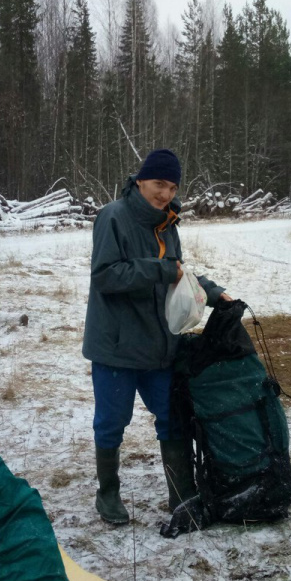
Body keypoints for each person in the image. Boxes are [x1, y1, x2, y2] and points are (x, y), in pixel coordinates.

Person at [82, 149, 231, 524]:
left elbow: (178, 273)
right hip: (116, 348)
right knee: (112, 423)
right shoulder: (113, 216)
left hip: (159, 345)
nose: (165, 193)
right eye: (158, 184)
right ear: (140, 181)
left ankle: (181, 495)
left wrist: (214, 294)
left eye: (172, 187)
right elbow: (105, 276)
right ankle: (108, 494)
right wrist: (160, 270)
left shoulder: (167, 224)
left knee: (173, 417)